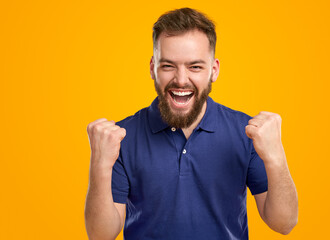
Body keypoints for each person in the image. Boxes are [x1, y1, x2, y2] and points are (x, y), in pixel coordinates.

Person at [84, 7, 298, 240]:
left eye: (195, 66)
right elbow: (100, 236)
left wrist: (276, 157)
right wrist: (100, 165)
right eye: (168, 66)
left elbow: (284, 223)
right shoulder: (122, 137)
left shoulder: (247, 132)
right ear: (153, 68)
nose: (181, 80)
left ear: (213, 70)